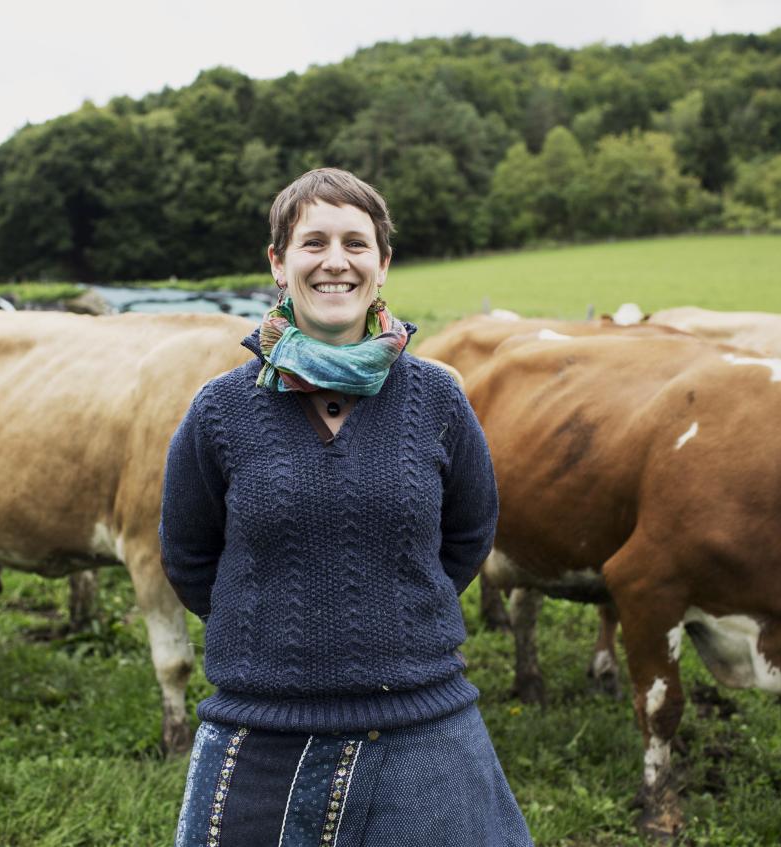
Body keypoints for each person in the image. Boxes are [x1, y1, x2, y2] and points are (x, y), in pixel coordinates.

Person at [160, 167, 533, 847]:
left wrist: (395, 612)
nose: (336, 261)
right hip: (263, 724)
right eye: (314, 243)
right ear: (278, 263)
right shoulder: (220, 409)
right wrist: (273, 625)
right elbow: (188, 556)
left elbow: (468, 533)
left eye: (357, 244)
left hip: (424, 721)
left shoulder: (439, 400)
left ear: (383, 265)